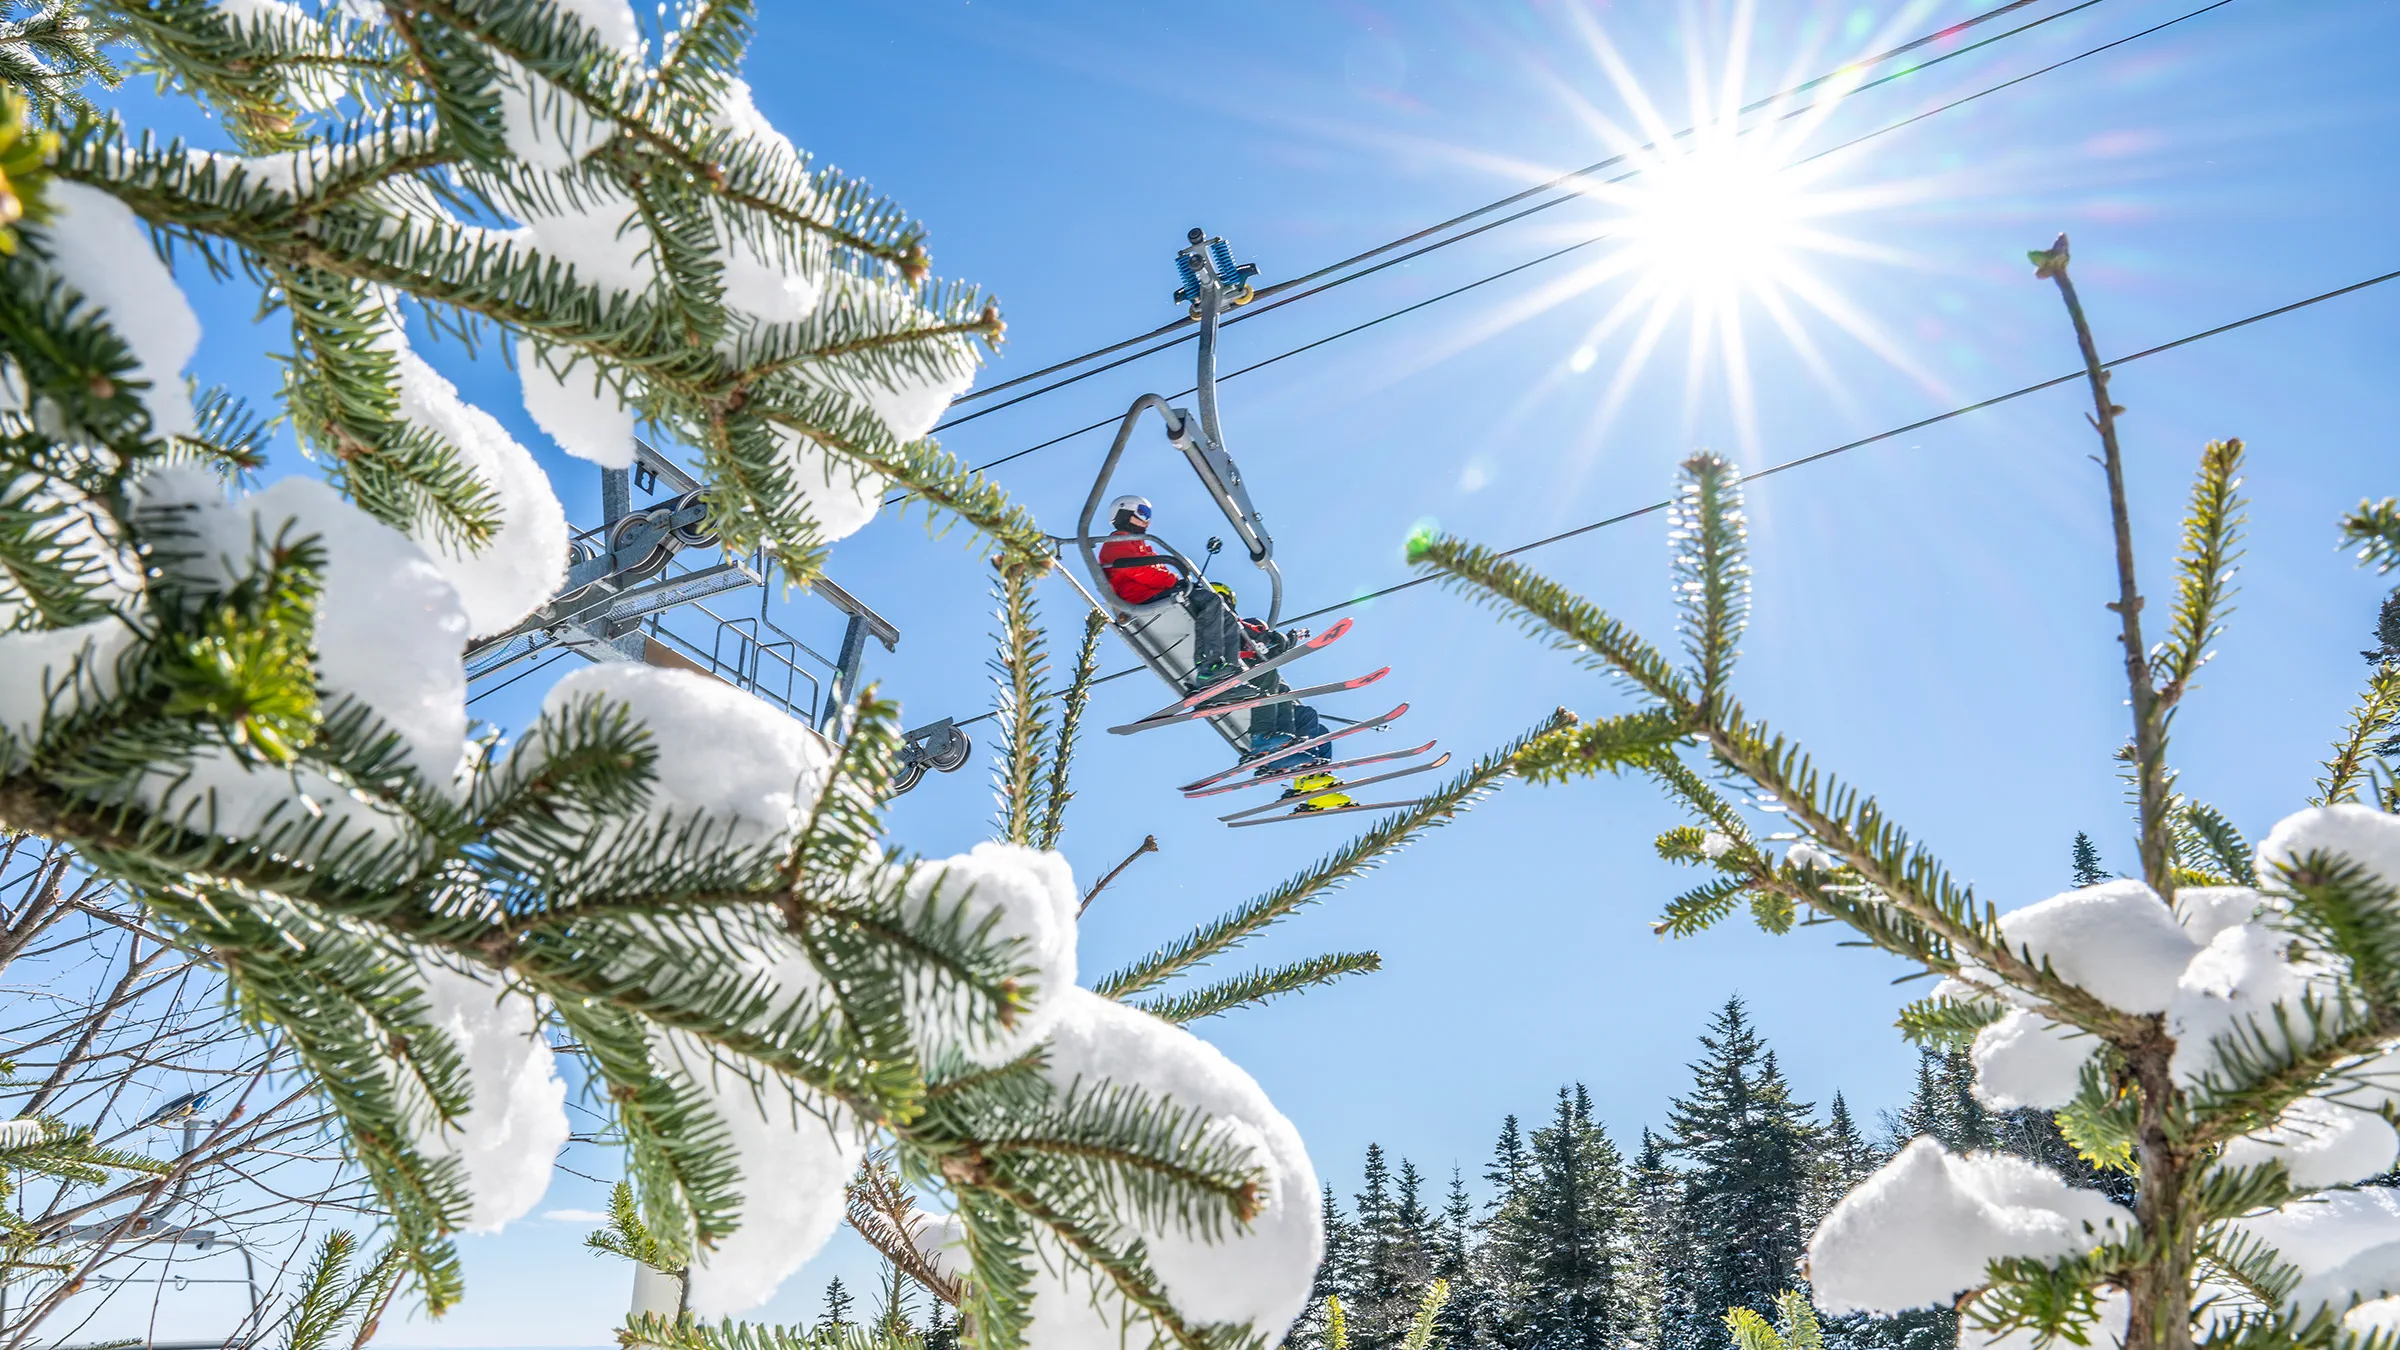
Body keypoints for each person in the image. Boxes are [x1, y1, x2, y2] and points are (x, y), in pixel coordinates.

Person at [1099, 494, 1243, 684]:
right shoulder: (1117, 542)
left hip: (1155, 593)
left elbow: (1154, 570)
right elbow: (1142, 571)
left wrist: (1175, 582)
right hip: (1140, 597)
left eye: (1148, 515)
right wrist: (1175, 582)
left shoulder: (1140, 545)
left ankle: (1232, 677)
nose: (1147, 520)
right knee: (1210, 600)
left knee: (1227, 617)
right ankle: (1209, 665)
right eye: (1143, 513)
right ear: (1124, 513)